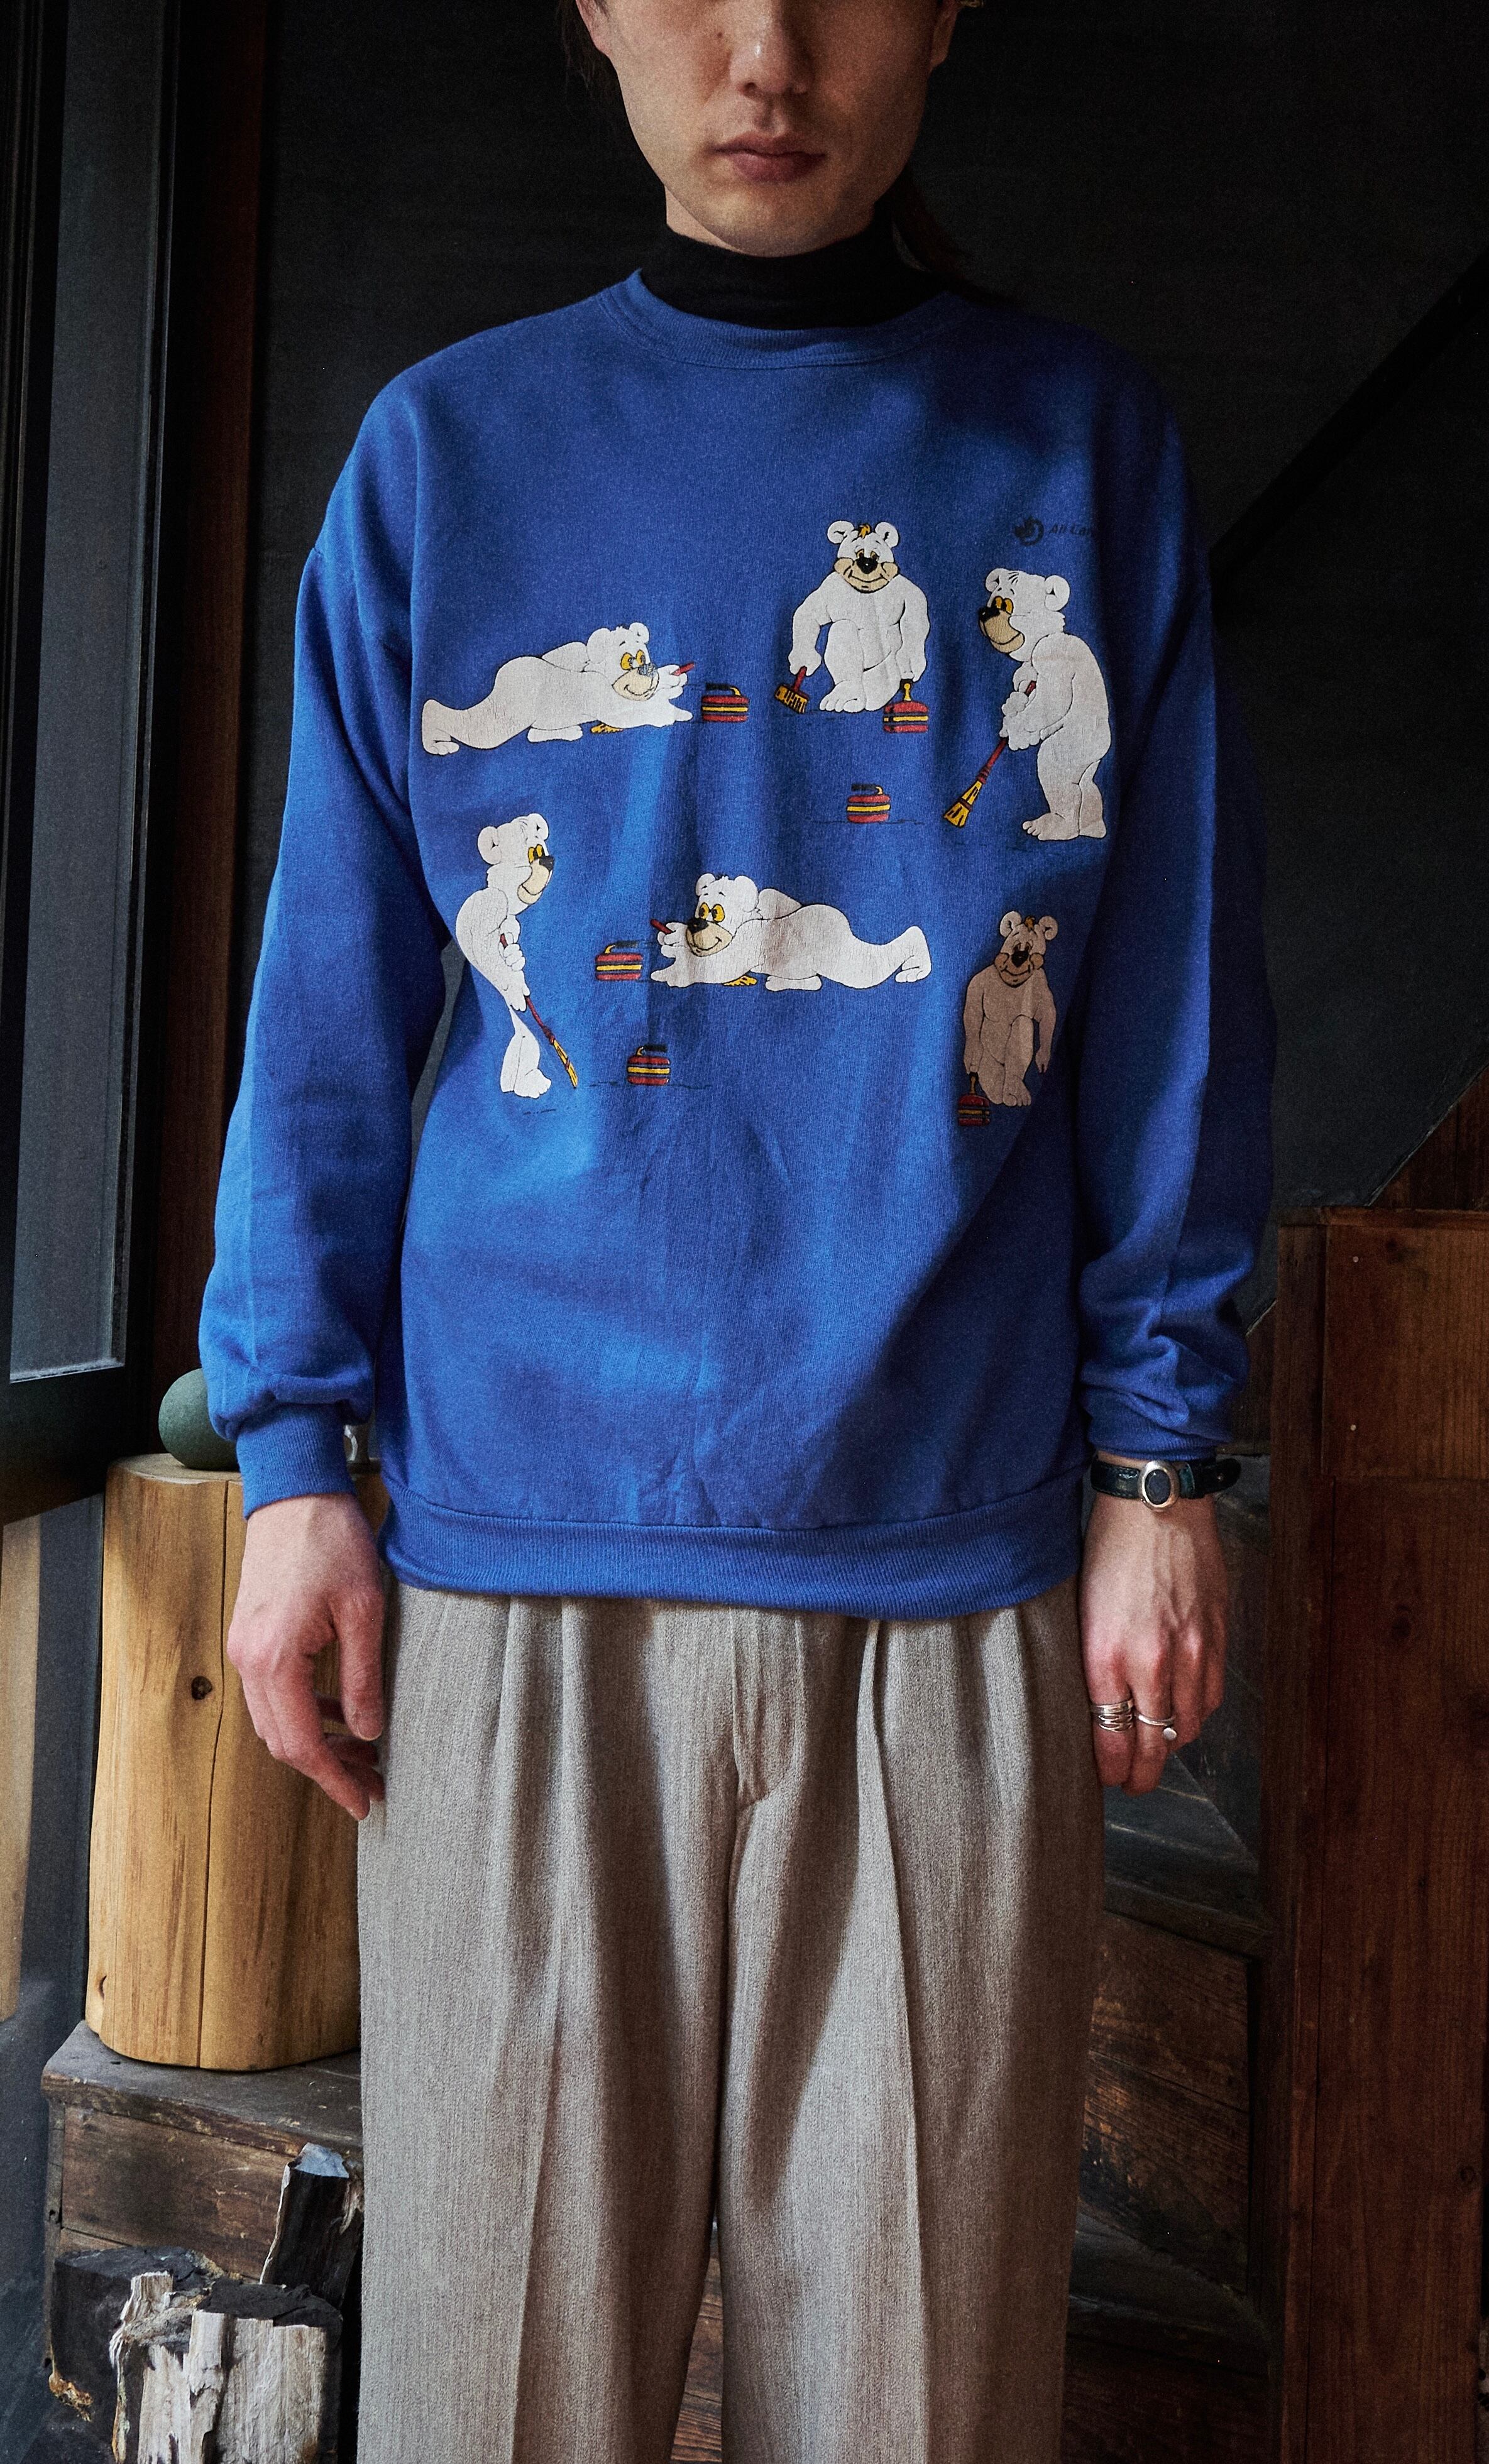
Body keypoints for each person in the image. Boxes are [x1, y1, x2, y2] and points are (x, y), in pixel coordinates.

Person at [201, 3, 1273, 2458]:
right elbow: (329, 1010)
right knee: (491, 2404)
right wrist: (290, 1462)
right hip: (506, 1580)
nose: (763, 51)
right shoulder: (444, 462)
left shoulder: (1076, 455)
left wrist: (1159, 1465)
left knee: (919, 2406)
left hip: (948, 1584)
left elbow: (1171, 1007)